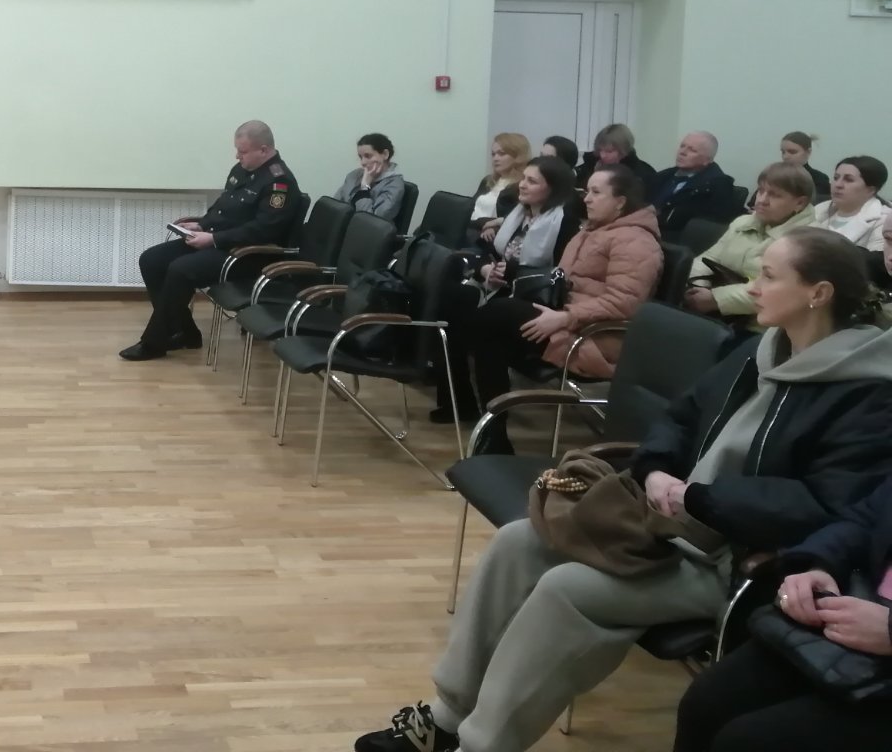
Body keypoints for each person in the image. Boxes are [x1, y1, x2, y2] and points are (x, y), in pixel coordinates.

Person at [355, 228, 892, 752]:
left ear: (818, 293)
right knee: (518, 542)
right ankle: (446, 717)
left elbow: (824, 505)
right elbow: (681, 417)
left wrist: (698, 499)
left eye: (769, 276)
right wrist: (656, 470)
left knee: (567, 589)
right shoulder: (762, 349)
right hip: (665, 521)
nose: (752, 287)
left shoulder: (868, 393)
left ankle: (481, 744)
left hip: (736, 559)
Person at [437, 166, 661, 441]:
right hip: (564, 318)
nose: (586, 198)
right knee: (483, 326)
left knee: (491, 316)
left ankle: (487, 429)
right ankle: (492, 435)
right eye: (587, 191)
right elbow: (561, 279)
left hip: (595, 338)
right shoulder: (592, 231)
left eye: (596, 192)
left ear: (620, 202)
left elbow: (625, 304)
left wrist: (565, 317)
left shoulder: (636, 241)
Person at [672, 476, 892, 751]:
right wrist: (820, 565)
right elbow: (865, 518)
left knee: (752, 741)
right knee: (706, 701)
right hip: (855, 618)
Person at [120, 120, 298, 362]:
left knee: (181, 269)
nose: (237, 156)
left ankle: (154, 342)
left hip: (247, 254)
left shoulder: (279, 183)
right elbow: (224, 207)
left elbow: (264, 230)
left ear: (264, 150)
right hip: (220, 242)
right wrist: (202, 225)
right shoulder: (242, 170)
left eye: (243, 151)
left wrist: (213, 238)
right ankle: (184, 332)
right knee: (151, 260)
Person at [434, 156, 580, 424]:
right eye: (523, 178)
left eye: (532, 181)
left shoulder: (563, 221)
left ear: (552, 188)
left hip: (532, 299)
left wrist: (511, 271)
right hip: (499, 287)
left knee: (461, 316)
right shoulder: (518, 213)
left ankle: (471, 407)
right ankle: (456, 401)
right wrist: (486, 269)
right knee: (448, 301)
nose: (522, 185)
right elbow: (487, 251)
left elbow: (559, 273)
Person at [685, 162, 816, 328]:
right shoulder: (742, 223)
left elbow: (776, 291)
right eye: (761, 191)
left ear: (799, 203)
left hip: (765, 328)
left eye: (775, 195)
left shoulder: (808, 241)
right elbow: (708, 258)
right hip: (717, 315)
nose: (762, 200)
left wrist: (715, 299)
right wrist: (697, 288)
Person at [649, 131, 737, 236]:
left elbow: (706, 228)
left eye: (692, 150)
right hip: (645, 229)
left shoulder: (718, 186)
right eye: (682, 146)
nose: (682, 152)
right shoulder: (663, 175)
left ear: (707, 160)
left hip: (674, 239)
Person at [812, 155, 888, 253]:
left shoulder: (883, 220)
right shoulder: (819, 209)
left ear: (871, 190)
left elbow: (877, 260)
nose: (838, 184)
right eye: (836, 178)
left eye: (849, 180)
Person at [467, 134, 530, 243]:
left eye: (501, 154)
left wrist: (494, 226)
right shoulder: (488, 181)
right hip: (470, 229)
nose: (495, 158)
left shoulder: (520, 186)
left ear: (517, 156)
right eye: (493, 154)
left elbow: (514, 219)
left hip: (487, 239)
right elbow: (469, 209)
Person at [335, 133, 406, 224]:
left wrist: (364, 188)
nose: (363, 162)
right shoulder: (355, 175)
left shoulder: (394, 185)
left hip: (365, 231)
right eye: (360, 157)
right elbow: (336, 206)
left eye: (368, 156)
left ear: (385, 154)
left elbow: (370, 222)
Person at [574, 122, 656, 193]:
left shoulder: (643, 175)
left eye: (609, 151)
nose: (602, 155)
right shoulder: (588, 167)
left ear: (624, 150)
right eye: (600, 150)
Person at [778, 130, 830, 201]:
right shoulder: (775, 176)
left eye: (792, 152)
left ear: (808, 152)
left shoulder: (819, 179)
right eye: (783, 152)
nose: (785, 156)